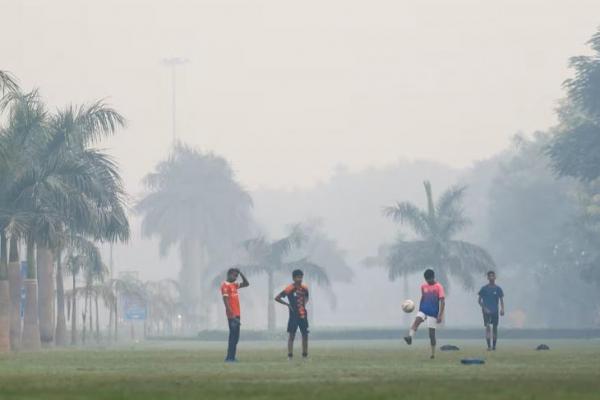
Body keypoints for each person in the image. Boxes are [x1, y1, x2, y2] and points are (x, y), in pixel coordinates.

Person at [404, 269, 445, 359]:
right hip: (423, 310)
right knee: (416, 321)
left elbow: (442, 301)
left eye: (429, 280)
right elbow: (423, 297)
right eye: (426, 280)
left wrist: (440, 315)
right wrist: (419, 309)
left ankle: (433, 354)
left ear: (433, 278)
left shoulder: (439, 287)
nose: (428, 282)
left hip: (433, 313)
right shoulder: (423, 286)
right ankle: (410, 337)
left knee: (431, 334)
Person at [274, 269, 310, 360]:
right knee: (292, 335)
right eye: (298, 277)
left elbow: (306, 297)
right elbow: (277, 298)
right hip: (293, 315)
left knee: (305, 335)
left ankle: (304, 355)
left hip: (303, 315)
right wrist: (287, 304)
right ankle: (290, 356)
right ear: (293, 278)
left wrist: (304, 304)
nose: (300, 279)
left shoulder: (305, 288)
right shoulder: (289, 288)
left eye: (301, 277)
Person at [220, 267, 249, 362]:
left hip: (237, 314)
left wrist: (241, 273)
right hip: (232, 315)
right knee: (233, 337)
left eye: (237, 276)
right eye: (234, 275)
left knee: (236, 337)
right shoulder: (225, 285)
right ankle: (229, 358)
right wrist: (231, 314)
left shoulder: (234, 285)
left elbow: (246, 284)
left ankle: (232, 356)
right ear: (229, 274)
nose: (236, 277)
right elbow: (225, 300)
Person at [478, 270, 505, 351]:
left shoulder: (498, 289)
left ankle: (494, 346)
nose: (491, 277)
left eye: (493, 276)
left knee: (495, 328)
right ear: (488, 278)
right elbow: (479, 301)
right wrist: (484, 308)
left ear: (495, 277)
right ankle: (489, 346)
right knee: (488, 327)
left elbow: (501, 300)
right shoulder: (484, 289)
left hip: (495, 311)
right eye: (490, 276)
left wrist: (502, 309)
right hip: (486, 312)